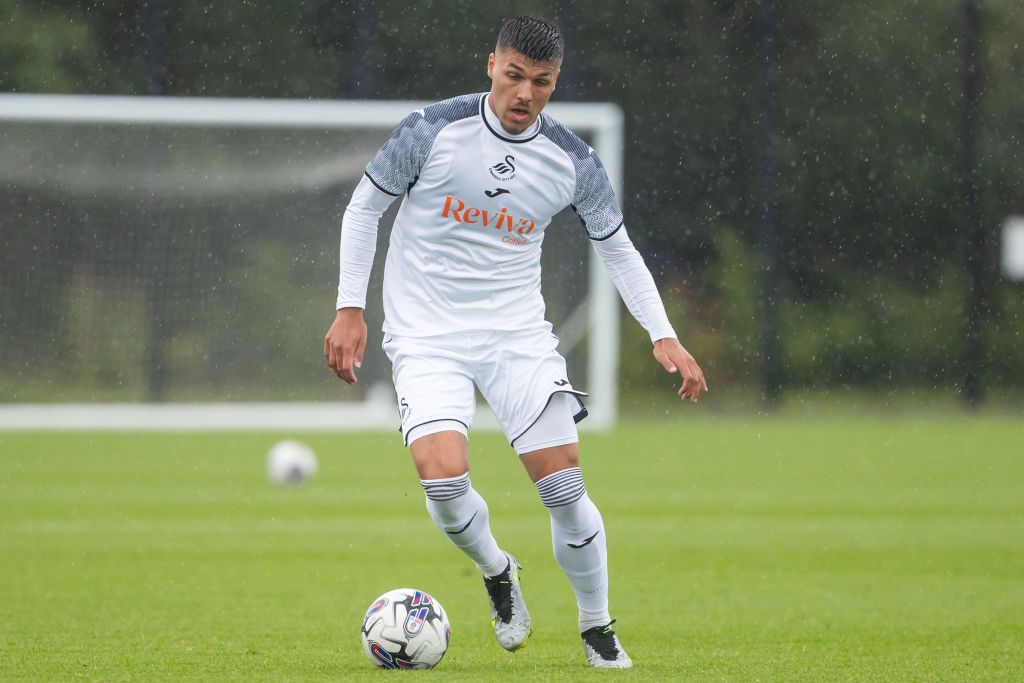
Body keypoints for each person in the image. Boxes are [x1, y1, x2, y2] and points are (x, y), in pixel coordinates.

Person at [324, 15, 706, 669]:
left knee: (563, 487)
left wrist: (663, 334)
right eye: (514, 76)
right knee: (442, 483)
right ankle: (498, 568)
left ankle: (596, 627)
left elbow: (617, 247)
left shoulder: (572, 161)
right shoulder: (431, 130)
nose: (524, 93)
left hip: (516, 337)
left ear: (554, 84)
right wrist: (349, 308)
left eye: (542, 82)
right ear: (491, 66)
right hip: (426, 335)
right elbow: (364, 208)